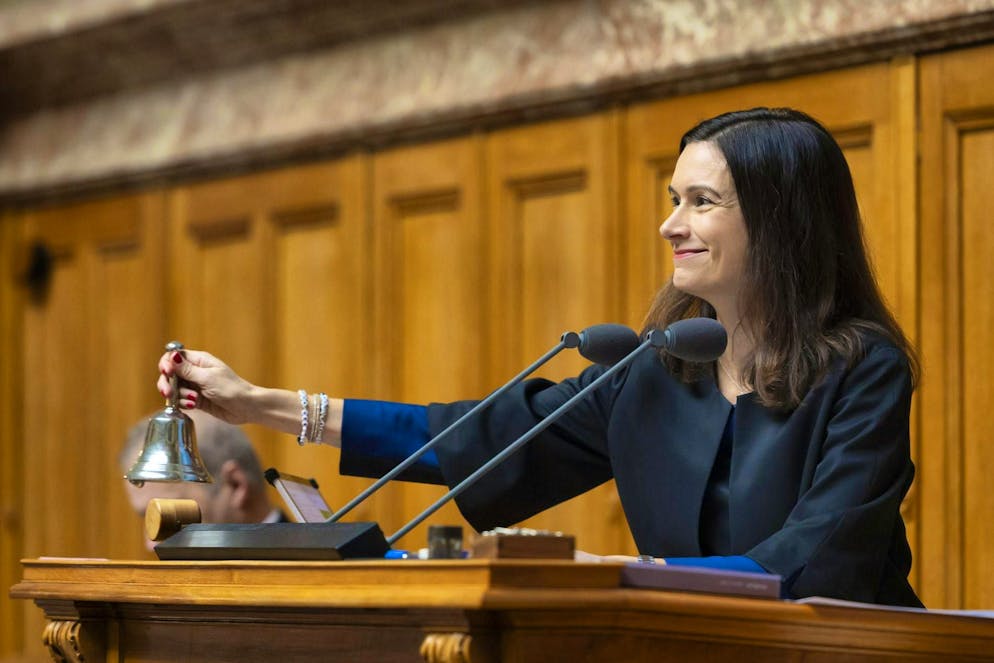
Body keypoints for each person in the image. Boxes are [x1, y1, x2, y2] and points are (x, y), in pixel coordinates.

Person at [156, 107, 922, 607]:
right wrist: (260, 403)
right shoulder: (656, 369)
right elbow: (479, 438)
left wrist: (626, 579)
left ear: (781, 222)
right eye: (671, 197)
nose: (669, 225)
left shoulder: (864, 371)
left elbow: (820, 557)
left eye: (700, 202)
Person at [120, 409, 287, 549]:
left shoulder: (304, 577)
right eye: (149, 519)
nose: (152, 544)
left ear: (236, 486)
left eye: (169, 515)